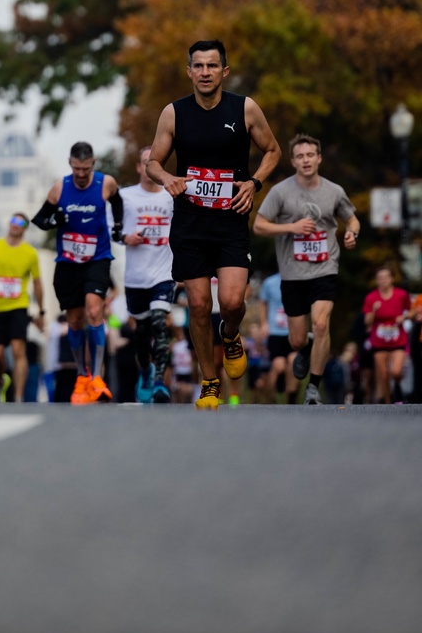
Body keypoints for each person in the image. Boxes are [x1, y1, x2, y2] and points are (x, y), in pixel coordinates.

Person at [146, 39, 281, 410]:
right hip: (190, 221)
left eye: (212, 66)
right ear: (189, 71)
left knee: (232, 301)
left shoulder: (245, 108)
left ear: (224, 71)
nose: (205, 72)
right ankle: (210, 381)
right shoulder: (174, 113)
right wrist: (167, 178)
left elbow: (273, 150)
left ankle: (232, 333)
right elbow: (153, 162)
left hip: (231, 217)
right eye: (198, 66)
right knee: (200, 305)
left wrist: (254, 184)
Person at [253, 134, 360, 405]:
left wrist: (351, 234)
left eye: (310, 155)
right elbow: (259, 225)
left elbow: (352, 220)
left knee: (322, 323)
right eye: (300, 156)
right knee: (297, 341)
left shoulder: (334, 191)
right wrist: (291, 227)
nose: (306, 160)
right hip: (292, 273)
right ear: (293, 161)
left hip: (325, 268)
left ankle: (313, 387)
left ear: (319, 158)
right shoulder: (280, 192)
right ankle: (307, 345)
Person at [31, 142, 122, 404]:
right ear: (70, 164)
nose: (81, 174)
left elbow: (118, 203)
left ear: (93, 164)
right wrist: (55, 221)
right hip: (68, 264)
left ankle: (96, 376)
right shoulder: (60, 188)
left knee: (95, 311)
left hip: (98, 259)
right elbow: (39, 219)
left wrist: (117, 225)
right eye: (77, 168)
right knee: (74, 321)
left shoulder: (106, 184)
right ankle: (82, 377)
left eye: (86, 168)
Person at [120, 146, 175, 404]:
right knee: (142, 336)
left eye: (154, 163)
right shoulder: (125, 196)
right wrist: (124, 237)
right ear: (139, 167)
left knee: (159, 323)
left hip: (163, 273)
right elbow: (110, 229)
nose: (149, 168)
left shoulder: (172, 196)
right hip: (135, 277)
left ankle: (159, 383)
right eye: (144, 163)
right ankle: (145, 372)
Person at [0, 213, 45, 402]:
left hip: (19, 306)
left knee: (18, 350)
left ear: (25, 228)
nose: (16, 225)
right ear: (9, 224)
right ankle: (0, 381)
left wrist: (41, 311)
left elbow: (38, 283)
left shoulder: (30, 253)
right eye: (14, 221)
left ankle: (18, 396)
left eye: (21, 223)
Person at [363, 266, 413, 404]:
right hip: (379, 341)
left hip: (398, 339)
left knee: (396, 371)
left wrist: (404, 317)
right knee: (383, 374)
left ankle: (397, 385)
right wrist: (373, 311)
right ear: (377, 280)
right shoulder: (371, 297)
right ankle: (388, 402)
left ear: (391, 279)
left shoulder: (401, 294)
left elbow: (412, 312)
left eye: (386, 277)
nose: (383, 280)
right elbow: (367, 321)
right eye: (380, 278)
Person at [257, 270, 297, 403]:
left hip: (293, 331)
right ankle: (272, 396)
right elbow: (262, 303)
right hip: (275, 331)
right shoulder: (270, 282)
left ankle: (291, 395)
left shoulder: (298, 280)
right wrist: (263, 323)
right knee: (279, 366)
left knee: (294, 361)